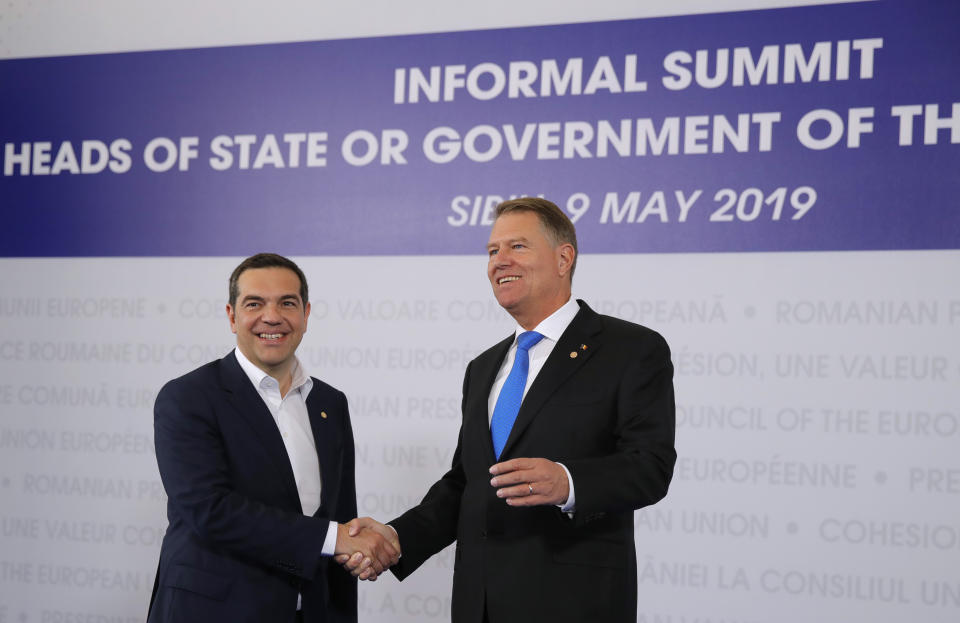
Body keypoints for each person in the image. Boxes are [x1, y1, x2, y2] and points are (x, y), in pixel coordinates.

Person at [342, 198, 676, 622]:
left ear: (563, 258)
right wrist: (396, 537)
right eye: (492, 251)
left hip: (574, 604)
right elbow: (468, 483)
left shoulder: (631, 349)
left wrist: (568, 481)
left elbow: (650, 467)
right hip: (478, 604)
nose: (499, 261)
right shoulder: (483, 368)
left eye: (517, 247)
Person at [147, 253, 398, 623]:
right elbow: (209, 510)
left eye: (287, 303)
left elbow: (341, 514)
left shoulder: (330, 403)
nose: (272, 317)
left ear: (306, 314)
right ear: (232, 316)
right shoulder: (188, 397)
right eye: (254, 303)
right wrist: (333, 538)